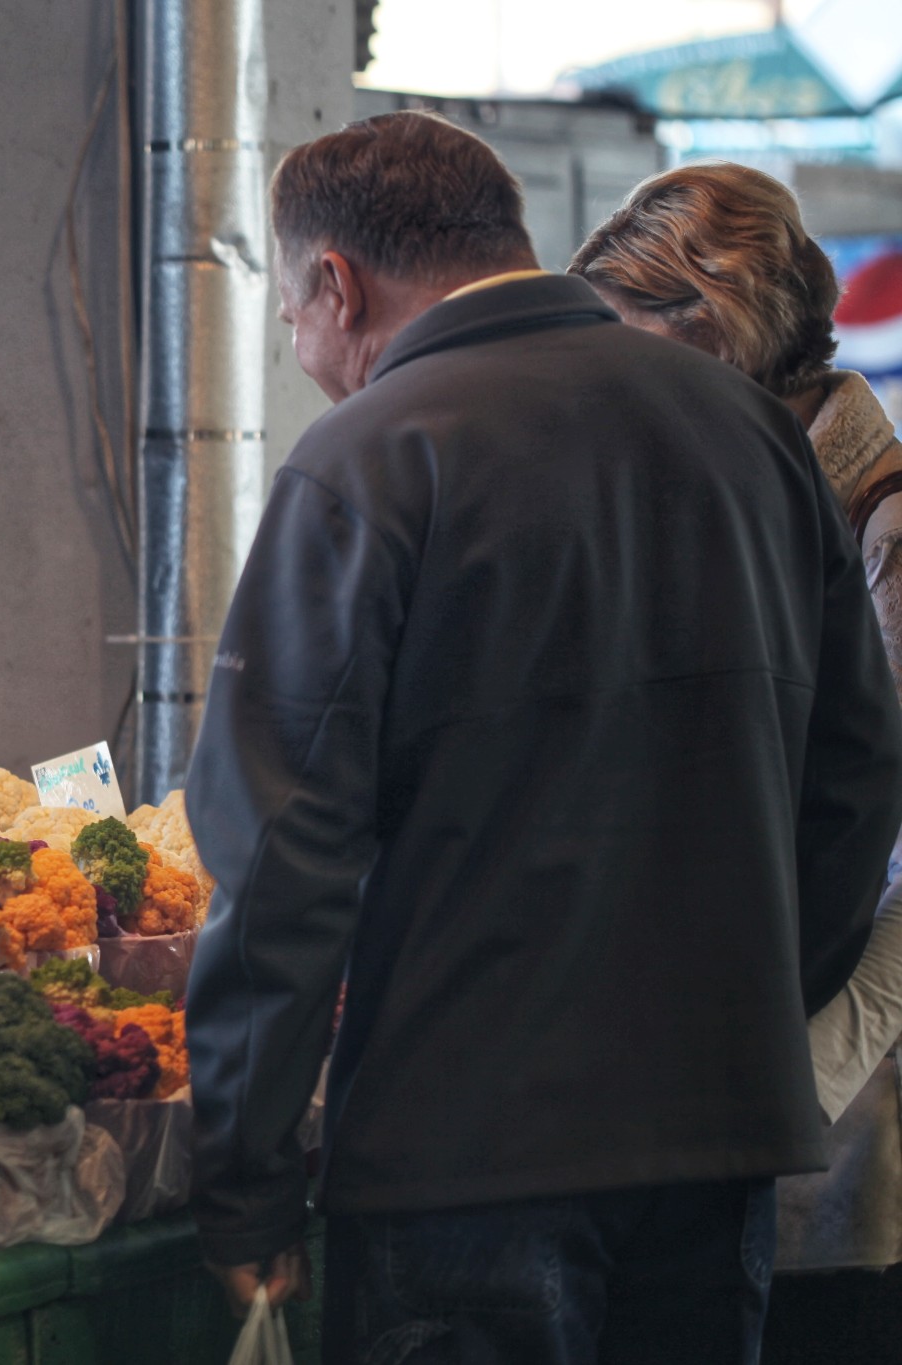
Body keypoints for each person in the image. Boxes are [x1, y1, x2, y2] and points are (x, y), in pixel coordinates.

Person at [182, 111, 902, 1365]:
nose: (302, 353)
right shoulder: (751, 438)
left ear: (335, 285)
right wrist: (748, 995)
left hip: (463, 1154)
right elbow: (856, 774)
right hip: (716, 1142)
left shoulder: (366, 457)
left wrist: (241, 1174)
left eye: (292, 320)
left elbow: (280, 856)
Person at [572, 162, 902, 1361]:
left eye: (628, 345)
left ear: (709, 333)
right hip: (714, 1093)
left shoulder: (877, 521)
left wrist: (798, 1076)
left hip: (835, 1122)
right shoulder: (737, 498)